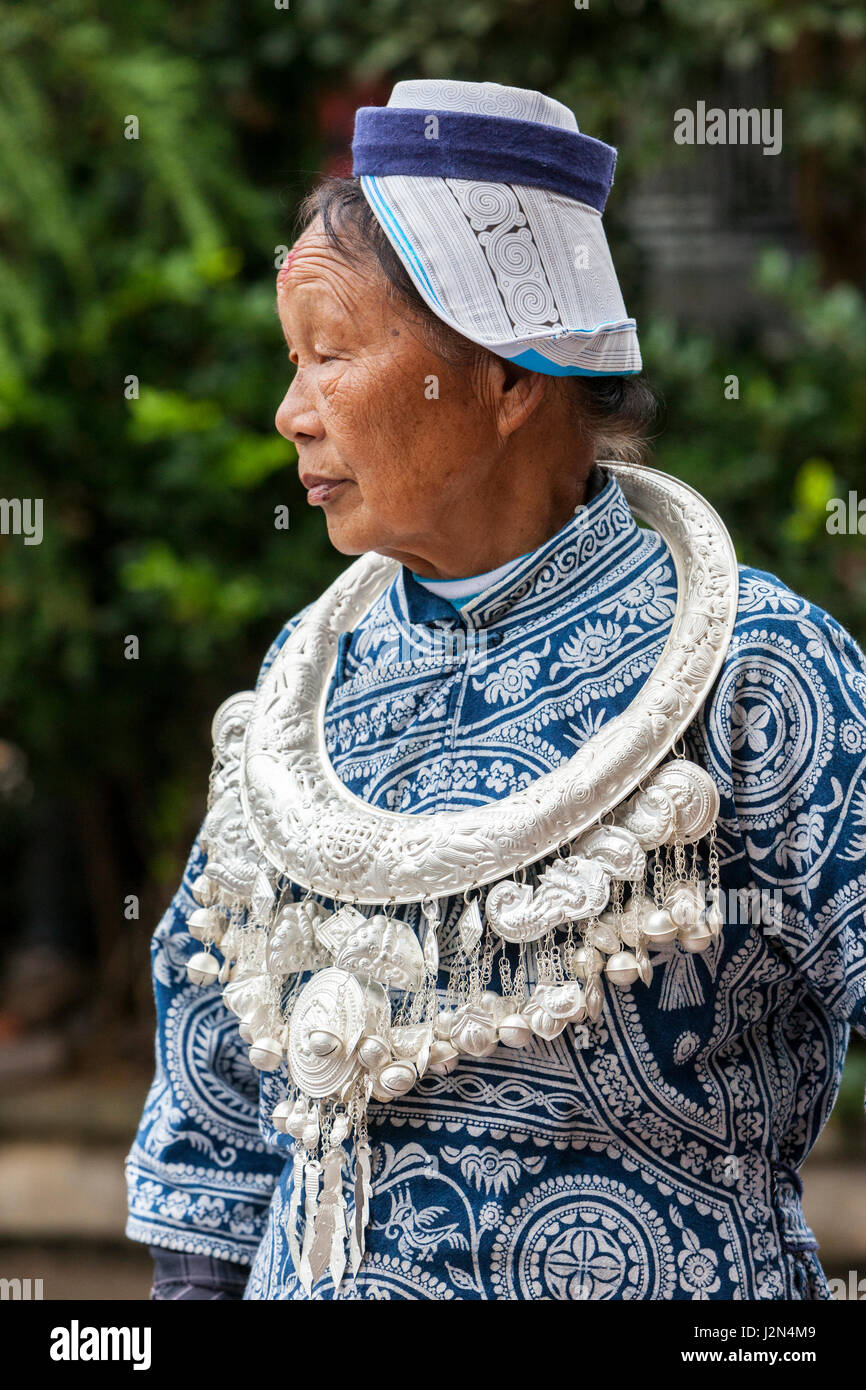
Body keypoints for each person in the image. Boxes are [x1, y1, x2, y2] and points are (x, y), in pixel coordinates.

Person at [125, 78, 866, 1301]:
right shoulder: (303, 688)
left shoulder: (754, 674)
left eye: (331, 357)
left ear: (509, 379)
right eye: (288, 363)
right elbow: (210, 1088)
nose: (287, 414)